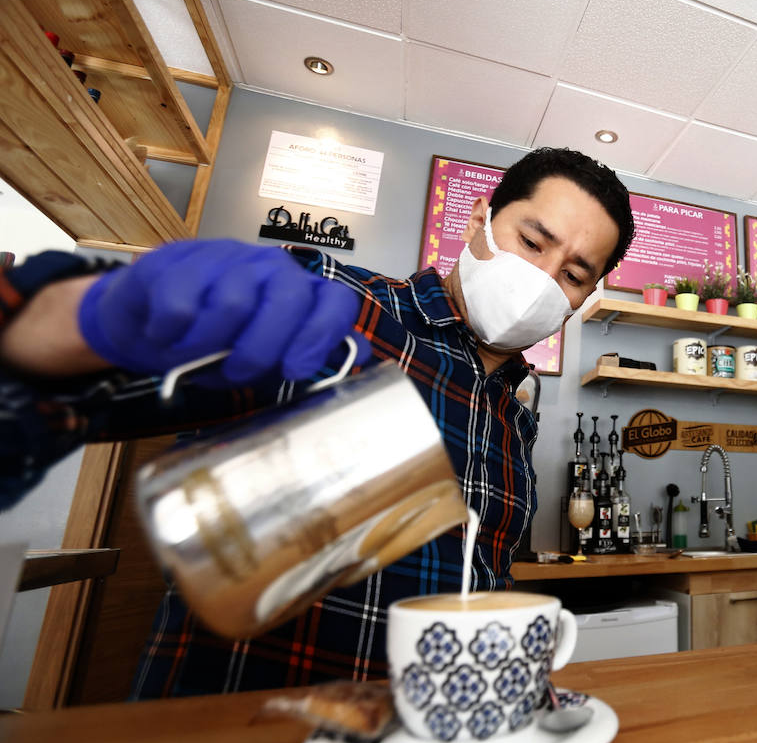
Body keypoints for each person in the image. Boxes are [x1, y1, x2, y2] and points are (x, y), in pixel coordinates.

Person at [0, 147, 634, 697]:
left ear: (583, 301)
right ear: (480, 221)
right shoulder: (332, 299)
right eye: (531, 241)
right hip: (244, 742)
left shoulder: (513, 413)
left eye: (574, 274)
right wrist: (71, 322)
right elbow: (70, 377)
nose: (542, 278)